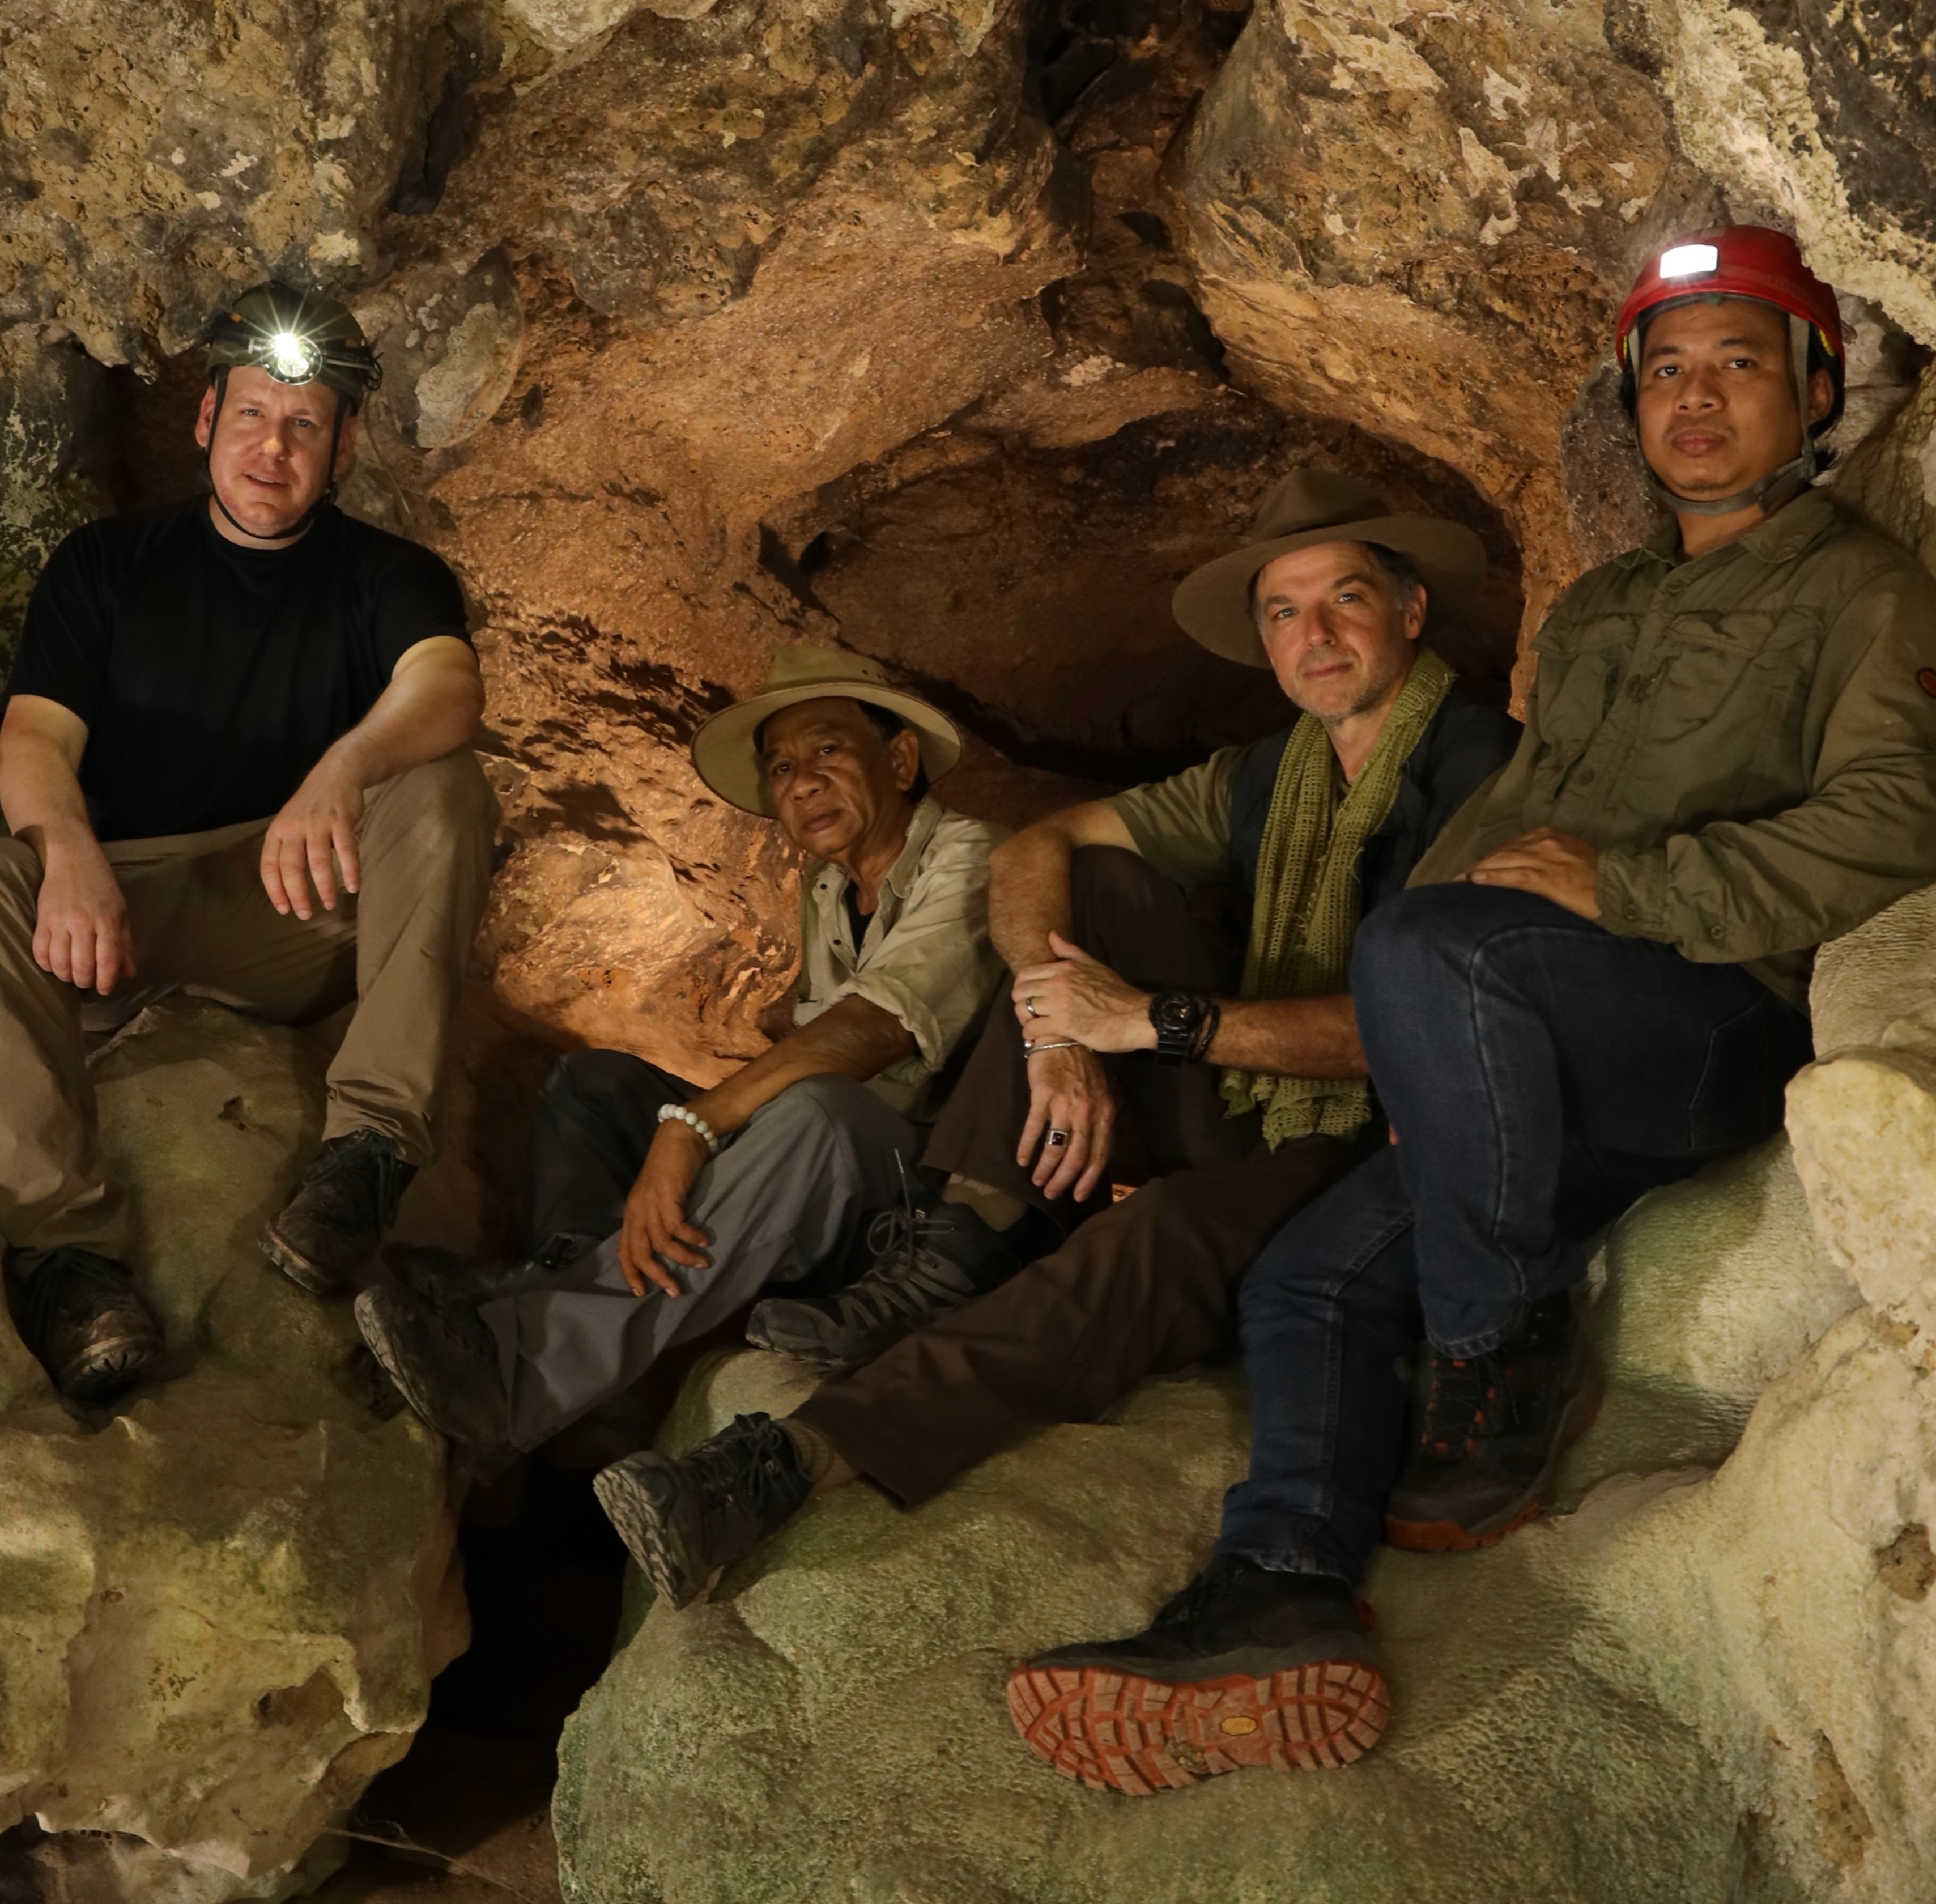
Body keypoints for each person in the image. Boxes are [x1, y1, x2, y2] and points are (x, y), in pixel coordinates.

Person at [1005, 226, 1936, 1796]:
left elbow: (1897, 825)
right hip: (1534, 1032)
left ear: (1817, 390)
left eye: (1739, 363)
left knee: (1428, 958)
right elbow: (1505, 825)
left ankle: (1498, 1354)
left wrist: (1629, 893)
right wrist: (1416, 1013)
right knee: (1307, 1282)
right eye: (1666, 371)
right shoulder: (1602, 613)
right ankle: (1284, 1599)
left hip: (1712, 1015)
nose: (1698, 399)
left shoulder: (1861, 594)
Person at [590, 468, 1522, 1624]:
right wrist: (1055, 1034)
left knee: (1155, 1235)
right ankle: (964, 1236)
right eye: (1283, 612)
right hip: (1248, 1105)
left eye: (1343, 600)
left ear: (1411, 612)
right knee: (1104, 884)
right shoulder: (1266, 776)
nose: (1313, 635)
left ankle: (784, 1466)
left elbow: (1425, 1025)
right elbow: (1039, 845)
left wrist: (1149, 1023)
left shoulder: (1477, 767)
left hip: (1380, 1143)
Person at [0, 283, 496, 1403]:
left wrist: (344, 768)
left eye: (302, 427)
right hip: (124, 906)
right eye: (249, 416)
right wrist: (70, 849)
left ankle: (365, 1158)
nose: (270, 448)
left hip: (296, 909)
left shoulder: (387, 576)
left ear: (335, 454)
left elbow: (446, 688)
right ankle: (68, 1257)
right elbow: (33, 740)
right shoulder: (104, 567)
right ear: (204, 422)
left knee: (445, 790)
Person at [350, 647, 1006, 1468]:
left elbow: (873, 1033)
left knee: (814, 1115)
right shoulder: (829, 893)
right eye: (782, 766)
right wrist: (684, 1119)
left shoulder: (976, 856)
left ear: (901, 760)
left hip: (922, 1206)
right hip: (851, 1160)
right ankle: (562, 1293)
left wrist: (693, 1126)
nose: (800, 782)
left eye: (829, 751)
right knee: (597, 1085)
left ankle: (524, 1373)